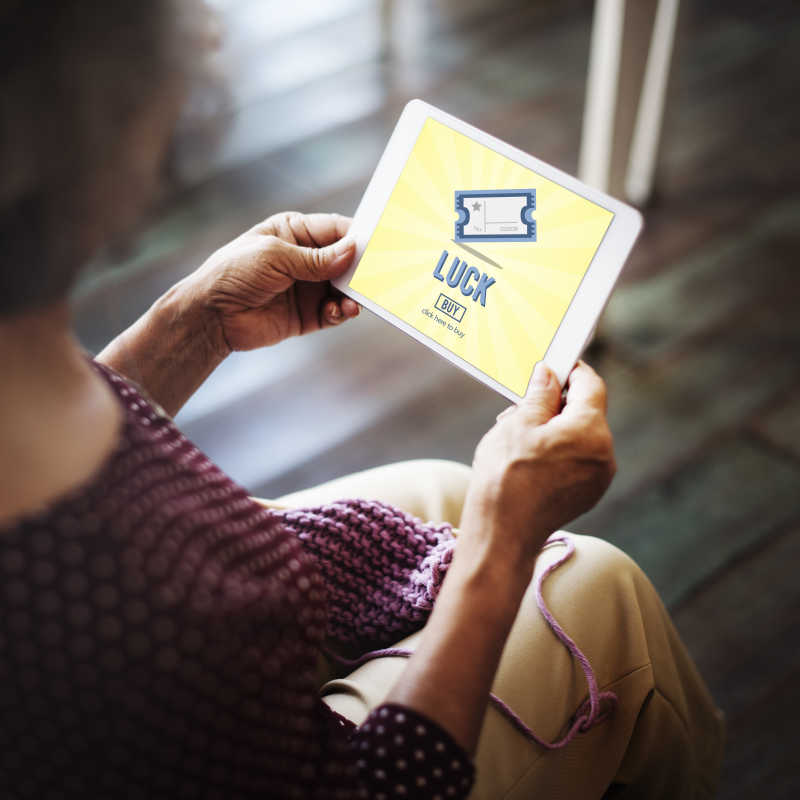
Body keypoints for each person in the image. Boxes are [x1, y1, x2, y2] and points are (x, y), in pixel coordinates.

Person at [0, 1, 724, 797]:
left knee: (442, 489)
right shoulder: (161, 610)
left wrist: (193, 326)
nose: (203, 41)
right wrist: (501, 543)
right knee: (601, 587)